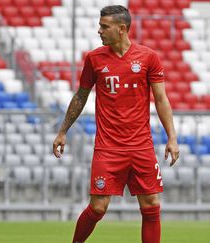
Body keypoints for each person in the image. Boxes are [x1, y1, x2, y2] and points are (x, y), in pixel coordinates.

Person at [52, 5, 179, 243]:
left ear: (121, 29)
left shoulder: (148, 57)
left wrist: (172, 137)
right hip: (108, 147)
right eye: (100, 26)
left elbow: (161, 99)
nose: (99, 31)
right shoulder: (94, 58)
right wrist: (62, 131)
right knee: (98, 207)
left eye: (104, 26)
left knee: (151, 205)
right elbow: (81, 96)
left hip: (141, 145)